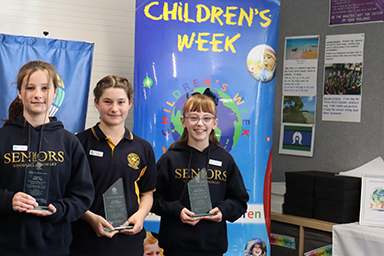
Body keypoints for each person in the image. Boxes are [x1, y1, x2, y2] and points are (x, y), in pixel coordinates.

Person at [0, 60, 94, 256]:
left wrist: (59, 210)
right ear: (19, 93)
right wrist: (8, 200)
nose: (37, 95)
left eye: (44, 88)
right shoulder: (3, 138)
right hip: (7, 245)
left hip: (55, 245)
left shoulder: (69, 142)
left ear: (54, 93)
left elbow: (83, 195)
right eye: (30, 88)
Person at [152, 88, 249, 256]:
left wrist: (223, 210)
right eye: (194, 118)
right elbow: (153, 198)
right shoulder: (169, 159)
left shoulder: (225, 160)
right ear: (183, 121)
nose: (200, 124)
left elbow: (239, 201)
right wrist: (177, 210)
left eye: (206, 118)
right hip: (176, 247)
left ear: (215, 123)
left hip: (212, 247)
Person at [70, 75, 157, 256]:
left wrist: (140, 215)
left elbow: (147, 192)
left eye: (121, 102)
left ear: (130, 104)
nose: (114, 109)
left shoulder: (143, 148)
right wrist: (91, 218)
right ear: (96, 103)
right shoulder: (78, 143)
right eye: (107, 102)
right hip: (85, 239)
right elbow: (68, 192)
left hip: (128, 241)